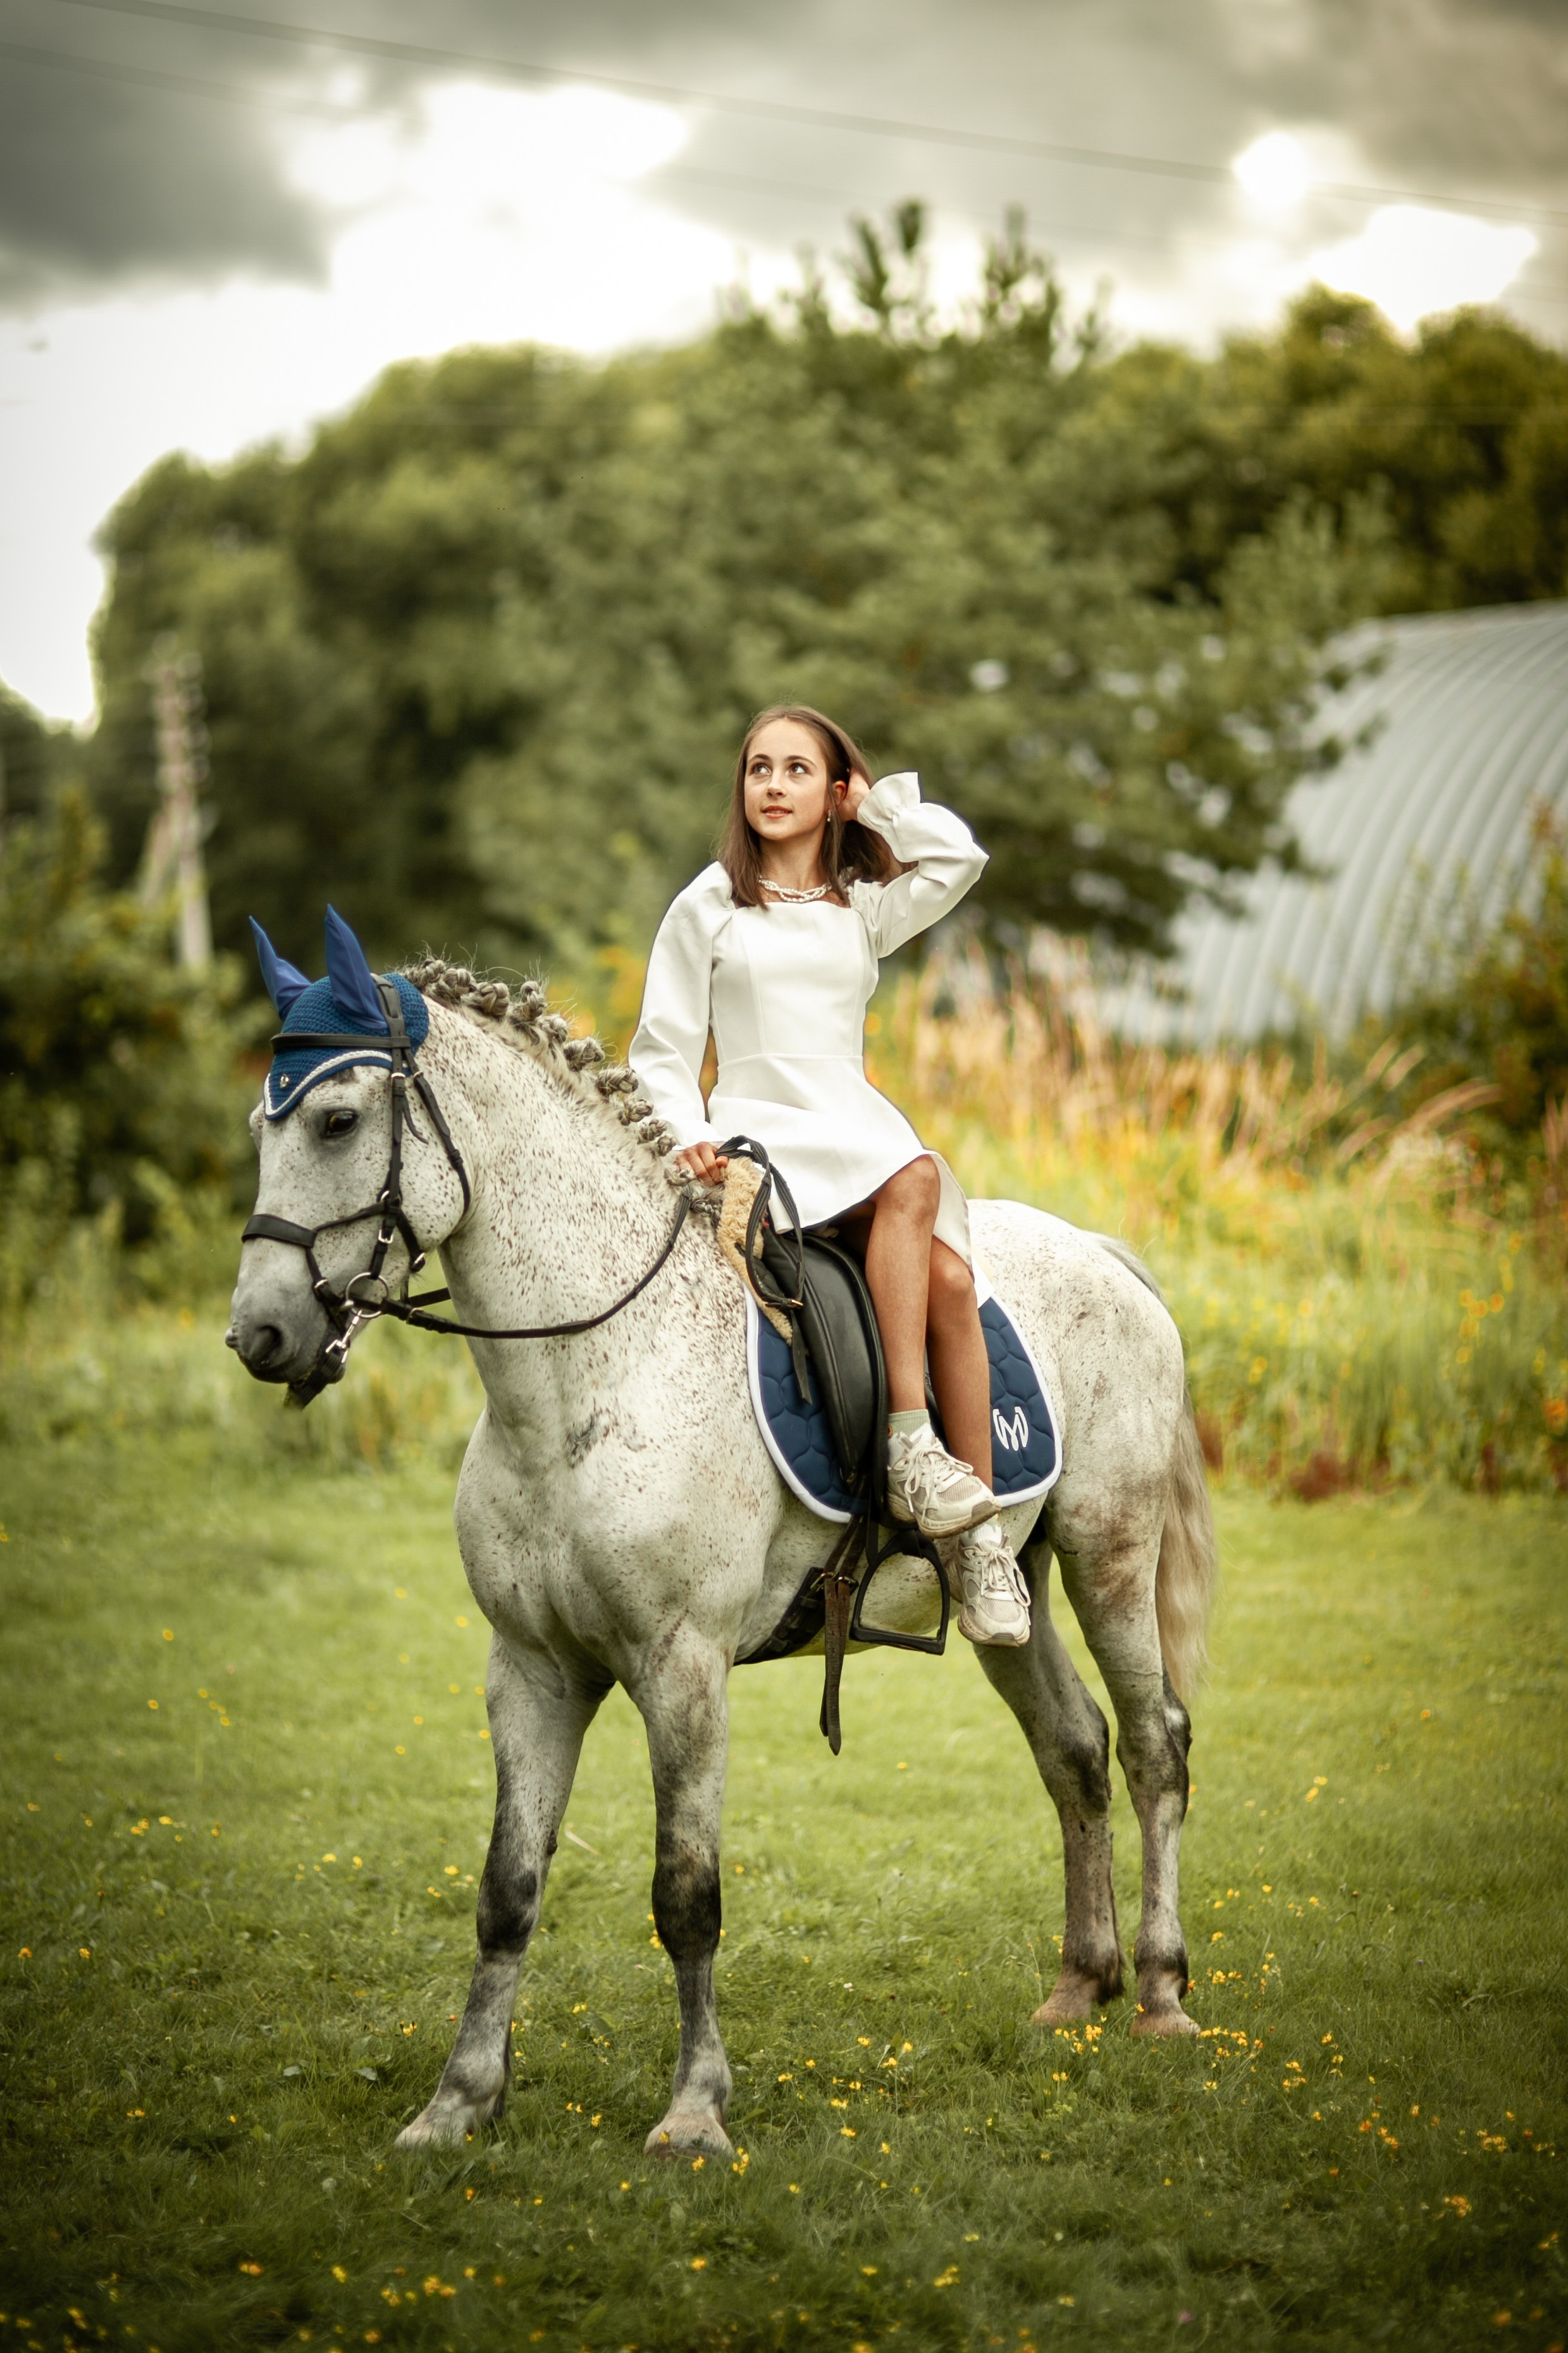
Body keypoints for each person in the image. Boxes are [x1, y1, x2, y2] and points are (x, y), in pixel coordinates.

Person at [629, 703, 1031, 1646]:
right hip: (761, 1138)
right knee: (919, 1181)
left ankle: (981, 1553)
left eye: (798, 770)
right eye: (758, 768)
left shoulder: (863, 906)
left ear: (832, 789)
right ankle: (906, 1447)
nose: (772, 785)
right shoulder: (709, 906)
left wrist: (876, 811)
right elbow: (662, 1048)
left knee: (952, 1277)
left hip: (853, 1123)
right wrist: (689, 1133)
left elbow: (958, 860)